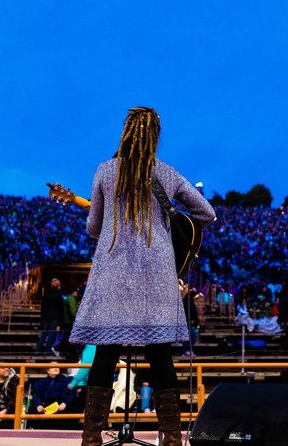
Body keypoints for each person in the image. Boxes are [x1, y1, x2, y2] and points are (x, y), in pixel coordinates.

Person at [69, 107, 215, 446]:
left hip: (112, 272)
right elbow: (207, 213)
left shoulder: (105, 170)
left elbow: (93, 227)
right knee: (160, 354)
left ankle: (91, 436)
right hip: (156, 273)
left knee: (105, 352)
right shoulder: (167, 173)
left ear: (124, 133)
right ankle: (171, 438)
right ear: (155, 137)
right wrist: (165, 219)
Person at [36, 277, 64, 357]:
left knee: (44, 333)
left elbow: (43, 307)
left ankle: (38, 350)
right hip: (54, 317)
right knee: (51, 334)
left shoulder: (46, 293)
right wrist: (60, 323)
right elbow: (61, 309)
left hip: (45, 317)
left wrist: (42, 318)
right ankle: (48, 350)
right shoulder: (59, 295)